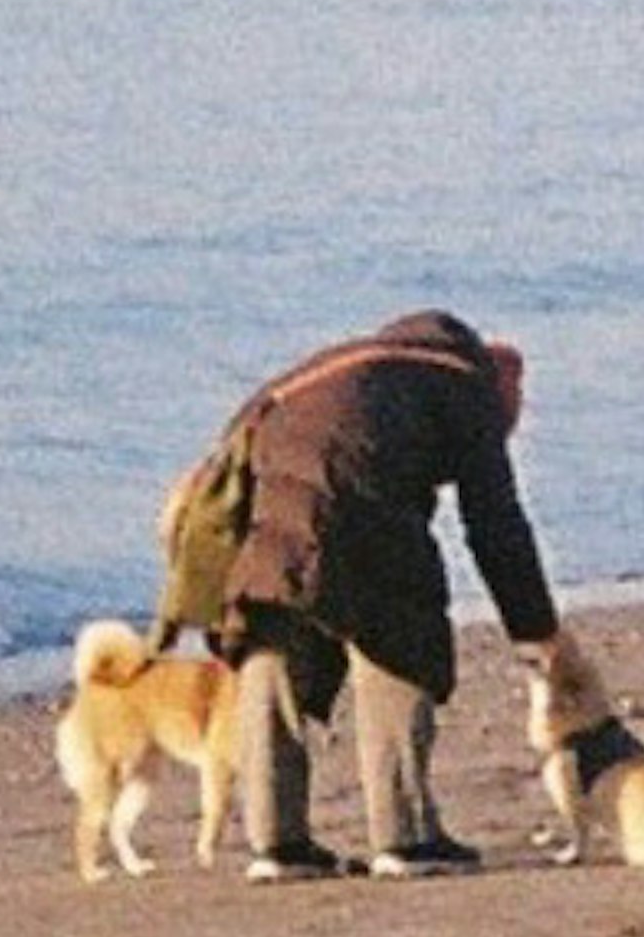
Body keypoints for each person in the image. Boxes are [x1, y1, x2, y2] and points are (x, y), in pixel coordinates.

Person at [160, 306, 591, 881]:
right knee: (398, 642)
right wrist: (536, 630)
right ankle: (406, 837)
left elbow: (226, 458)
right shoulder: (466, 387)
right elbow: (495, 523)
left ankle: (277, 845)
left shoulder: (334, 367)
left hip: (269, 515)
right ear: (496, 378)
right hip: (361, 498)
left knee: (273, 657)